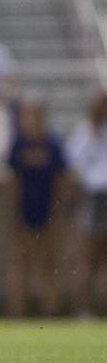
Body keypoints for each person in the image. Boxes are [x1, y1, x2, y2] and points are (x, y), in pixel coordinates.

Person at [7, 97, 68, 317]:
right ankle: (17, 312)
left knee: (49, 263)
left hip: (48, 210)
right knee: (22, 263)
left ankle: (50, 310)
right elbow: (14, 181)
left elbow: (61, 180)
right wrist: (15, 211)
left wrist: (58, 210)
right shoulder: (19, 145)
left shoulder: (52, 145)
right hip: (25, 210)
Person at [66, 90, 107, 318]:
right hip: (93, 195)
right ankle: (83, 308)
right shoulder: (83, 133)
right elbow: (74, 166)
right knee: (88, 258)